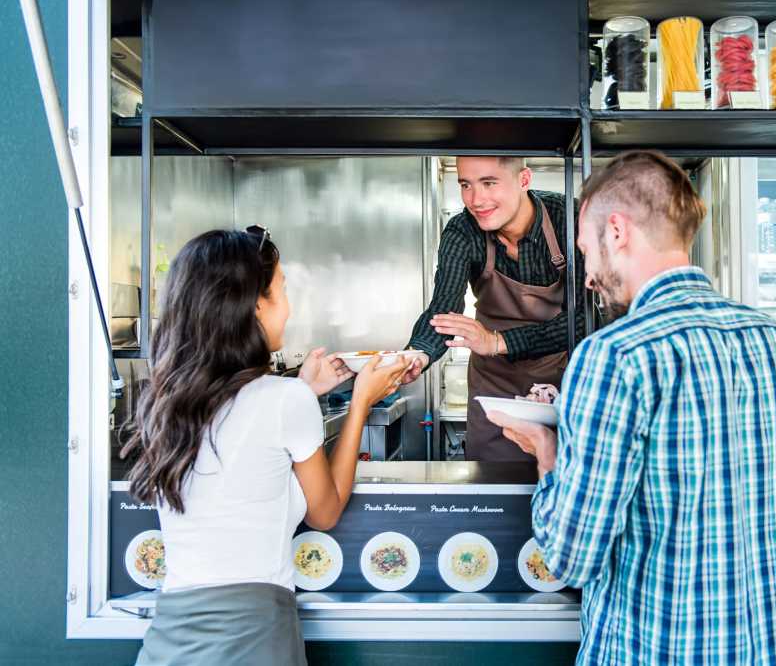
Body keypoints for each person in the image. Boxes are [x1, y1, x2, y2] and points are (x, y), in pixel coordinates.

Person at [489, 151, 776, 664]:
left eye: (587, 251)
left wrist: (548, 452)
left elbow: (571, 557)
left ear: (616, 231)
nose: (589, 275)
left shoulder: (616, 355)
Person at [122, 226, 408, 666]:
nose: (289, 310)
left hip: (169, 641)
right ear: (256, 304)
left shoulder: (166, 403)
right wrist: (360, 404)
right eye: (282, 292)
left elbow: (248, 443)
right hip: (254, 640)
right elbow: (325, 512)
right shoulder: (283, 399)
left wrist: (304, 390)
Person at [400, 156, 584, 461]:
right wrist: (416, 355)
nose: (476, 200)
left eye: (489, 183)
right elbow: (445, 307)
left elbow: (586, 321)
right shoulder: (463, 231)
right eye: (465, 185)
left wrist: (498, 341)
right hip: (494, 387)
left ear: (524, 180)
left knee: (563, 475)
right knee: (491, 485)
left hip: (562, 385)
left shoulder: (570, 218)